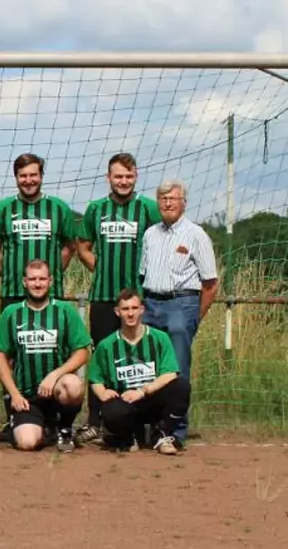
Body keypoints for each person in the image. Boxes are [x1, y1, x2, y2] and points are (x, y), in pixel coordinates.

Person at [74, 153, 160, 444]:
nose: (123, 181)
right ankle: (95, 421)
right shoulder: (96, 209)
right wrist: (101, 270)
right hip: (103, 297)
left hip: (138, 298)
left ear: (136, 176)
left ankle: (144, 423)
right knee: (102, 356)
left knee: (142, 357)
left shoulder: (148, 208)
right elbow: (83, 246)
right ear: (108, 178)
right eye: (118, 176)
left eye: (128, 176)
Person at [139, 179, 219, 441]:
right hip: (151, 304)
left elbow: (210, 284)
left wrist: (194, 318)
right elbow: (143, 273)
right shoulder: (150, 234)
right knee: (148, 368)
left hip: (181, 304)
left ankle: (175, 431)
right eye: (163, 199)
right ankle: (150, 427)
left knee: (177, 371)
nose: (168, 203)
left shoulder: (196, 234)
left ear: (184, 202)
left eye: (173, 198)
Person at [0, 260, 91, 453]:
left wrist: (54, 375)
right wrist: (14, 394)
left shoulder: (65, 311)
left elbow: (82, 352)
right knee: (27, 443)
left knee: (73, 385)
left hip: (57, 390)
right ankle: (41, 429)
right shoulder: (12, 313)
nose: (37, 284)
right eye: (33, 279)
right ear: (24, 282)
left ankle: (65, 430)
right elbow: (0, 355)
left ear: (50, 281)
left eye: (42, 279)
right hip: (27, 396)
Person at [88, 289, 190, 455]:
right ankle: (128, 437)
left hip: (152, 398)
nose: (130, 314)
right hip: (126, 402)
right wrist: (102, 392)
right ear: (117, 312)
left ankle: (162, 434)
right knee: (110, 410)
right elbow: (95, 378)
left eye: (134, 308)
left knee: (181, 386)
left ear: (142, 310)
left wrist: (143, 391)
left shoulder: (160, 338)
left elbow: (170, 373)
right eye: (125, 309)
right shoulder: (107, 345)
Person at [0, 153, 77, 310]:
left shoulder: (60, 208)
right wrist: (11, 273)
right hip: (13, 294)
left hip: (51, 293)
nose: (28, 180)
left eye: (33, 175)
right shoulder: (2, 209)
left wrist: (51, 272)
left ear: (41, 176)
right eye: (23, 176)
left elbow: (70, 246)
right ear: (16, 178)